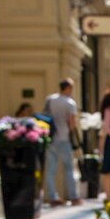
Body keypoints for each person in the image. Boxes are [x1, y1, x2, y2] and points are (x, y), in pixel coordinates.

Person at [43, 78, 80, 206]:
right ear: (68, 88)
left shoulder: (50, 99)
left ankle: (52, 196)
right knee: (69, 168)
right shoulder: (70, 103)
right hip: (64, 138)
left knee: (50, 169)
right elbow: (72, 123)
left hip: (50, 138)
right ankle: (73, 196)